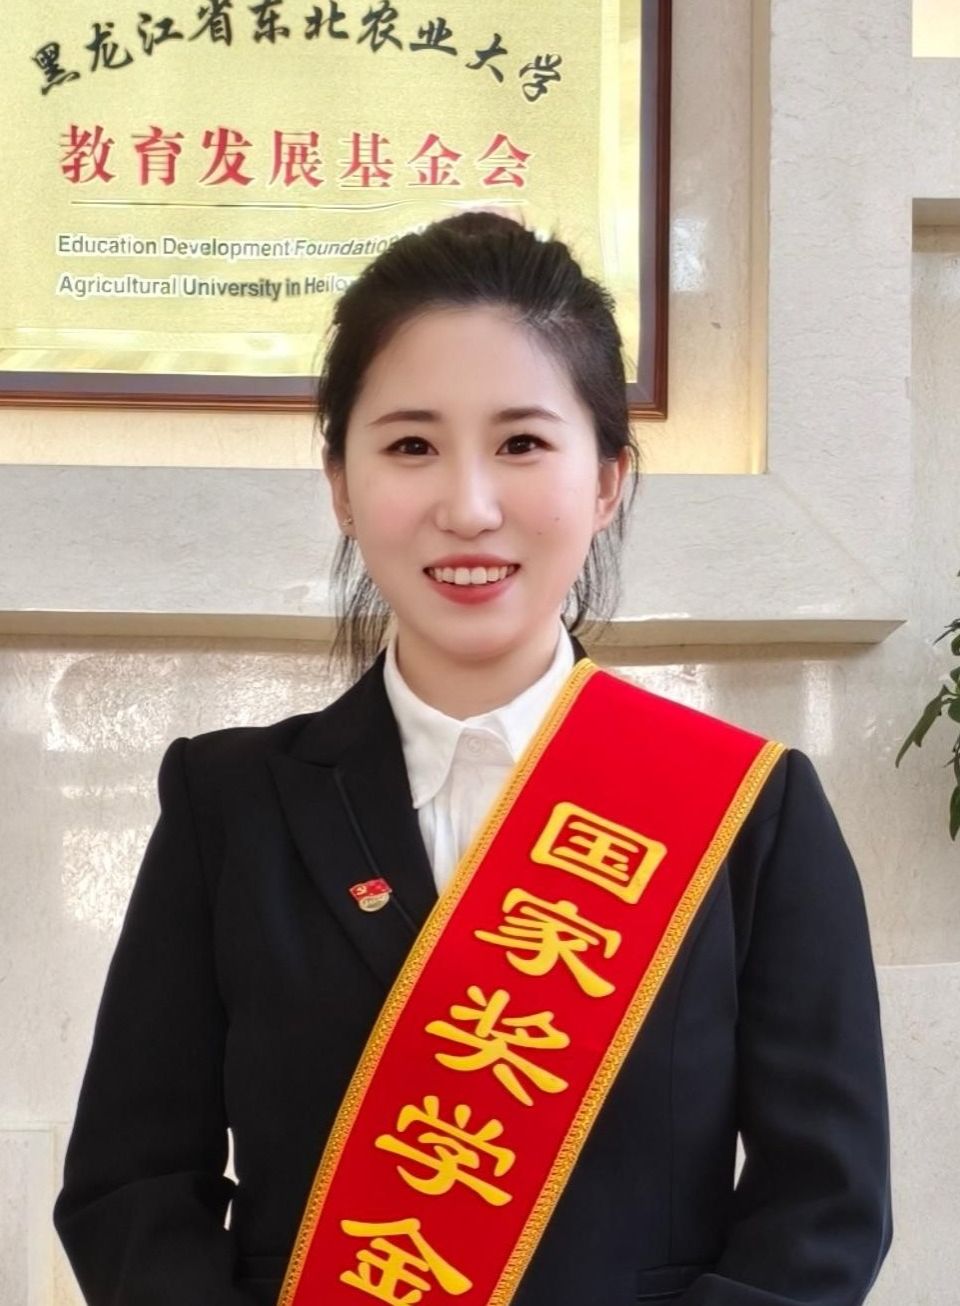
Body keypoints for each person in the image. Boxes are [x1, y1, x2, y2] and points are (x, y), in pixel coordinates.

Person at [54, 212, 892, 1306]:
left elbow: (825, 1208)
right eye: (411, 446)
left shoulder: (747, 812)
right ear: (342, 486)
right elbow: (132, 1192)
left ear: (608, 481)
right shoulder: (229, 807)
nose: (468, 506)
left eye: (522, 444)